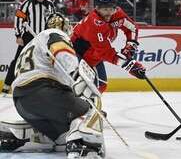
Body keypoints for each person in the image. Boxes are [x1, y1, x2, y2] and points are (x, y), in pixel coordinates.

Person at [0, 13, 105, 158]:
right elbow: (63, 54)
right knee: (90, 107)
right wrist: (77, 76)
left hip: (21, 102)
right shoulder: (55, 34)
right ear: (65, 27)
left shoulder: (32, 43)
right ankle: (82, 144)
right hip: (45, 92)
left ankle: (28, 135)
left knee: (62, 135)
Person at [71, 0, 146, 95]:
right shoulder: (95, 23)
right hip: (77, 52)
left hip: (94, 53)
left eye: (111, 9)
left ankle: (88, 108)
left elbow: (132, 28)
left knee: (101, 85)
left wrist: (130, 45)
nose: (109, 13)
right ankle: (76, 107)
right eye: (105, 9)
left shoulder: (117, 13)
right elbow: (105, 52)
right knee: (80, 83)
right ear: (97, 8)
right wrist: (129, 65)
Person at [1, 0, 55, 94]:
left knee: (47, 62)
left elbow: (53, 22)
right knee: (18, 60)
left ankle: (49, 87)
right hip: (28, 37)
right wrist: (18, 35)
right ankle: (6, 86)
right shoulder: (28, 3)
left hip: (43, 38)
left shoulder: (50, 5)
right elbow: (18, 17)